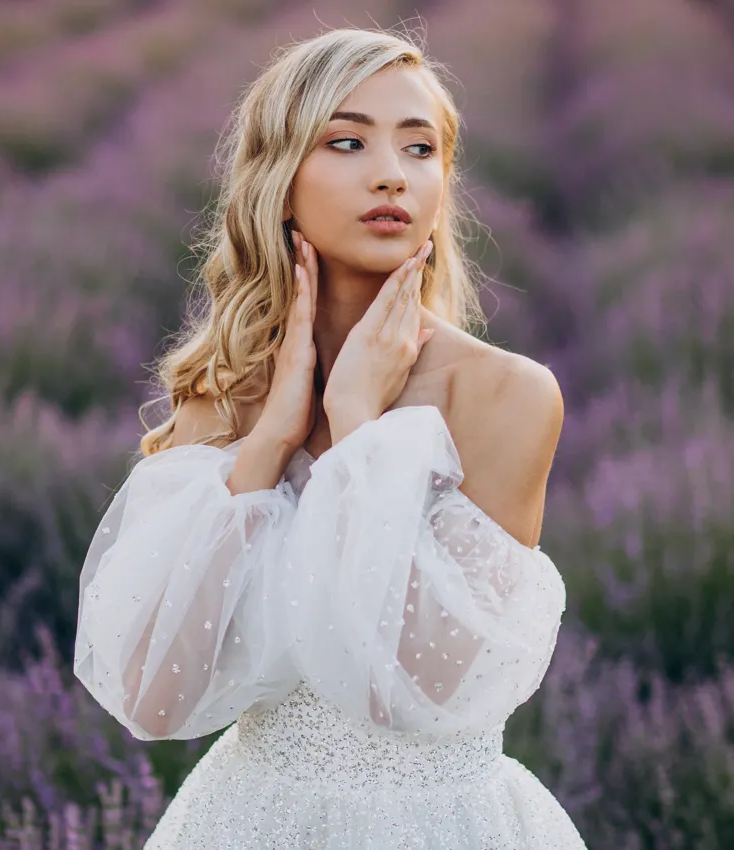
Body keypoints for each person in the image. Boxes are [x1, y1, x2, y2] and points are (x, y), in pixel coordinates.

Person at [73, 25, 586, 849]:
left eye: (420, 148)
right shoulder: (225, 397)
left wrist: (357, 431)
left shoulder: (504, 395)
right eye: (347, 142)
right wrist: (267, 445)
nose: (391, 173)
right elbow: (152, 698)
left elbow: (423, 688)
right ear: (279, 181)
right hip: (248, 820)